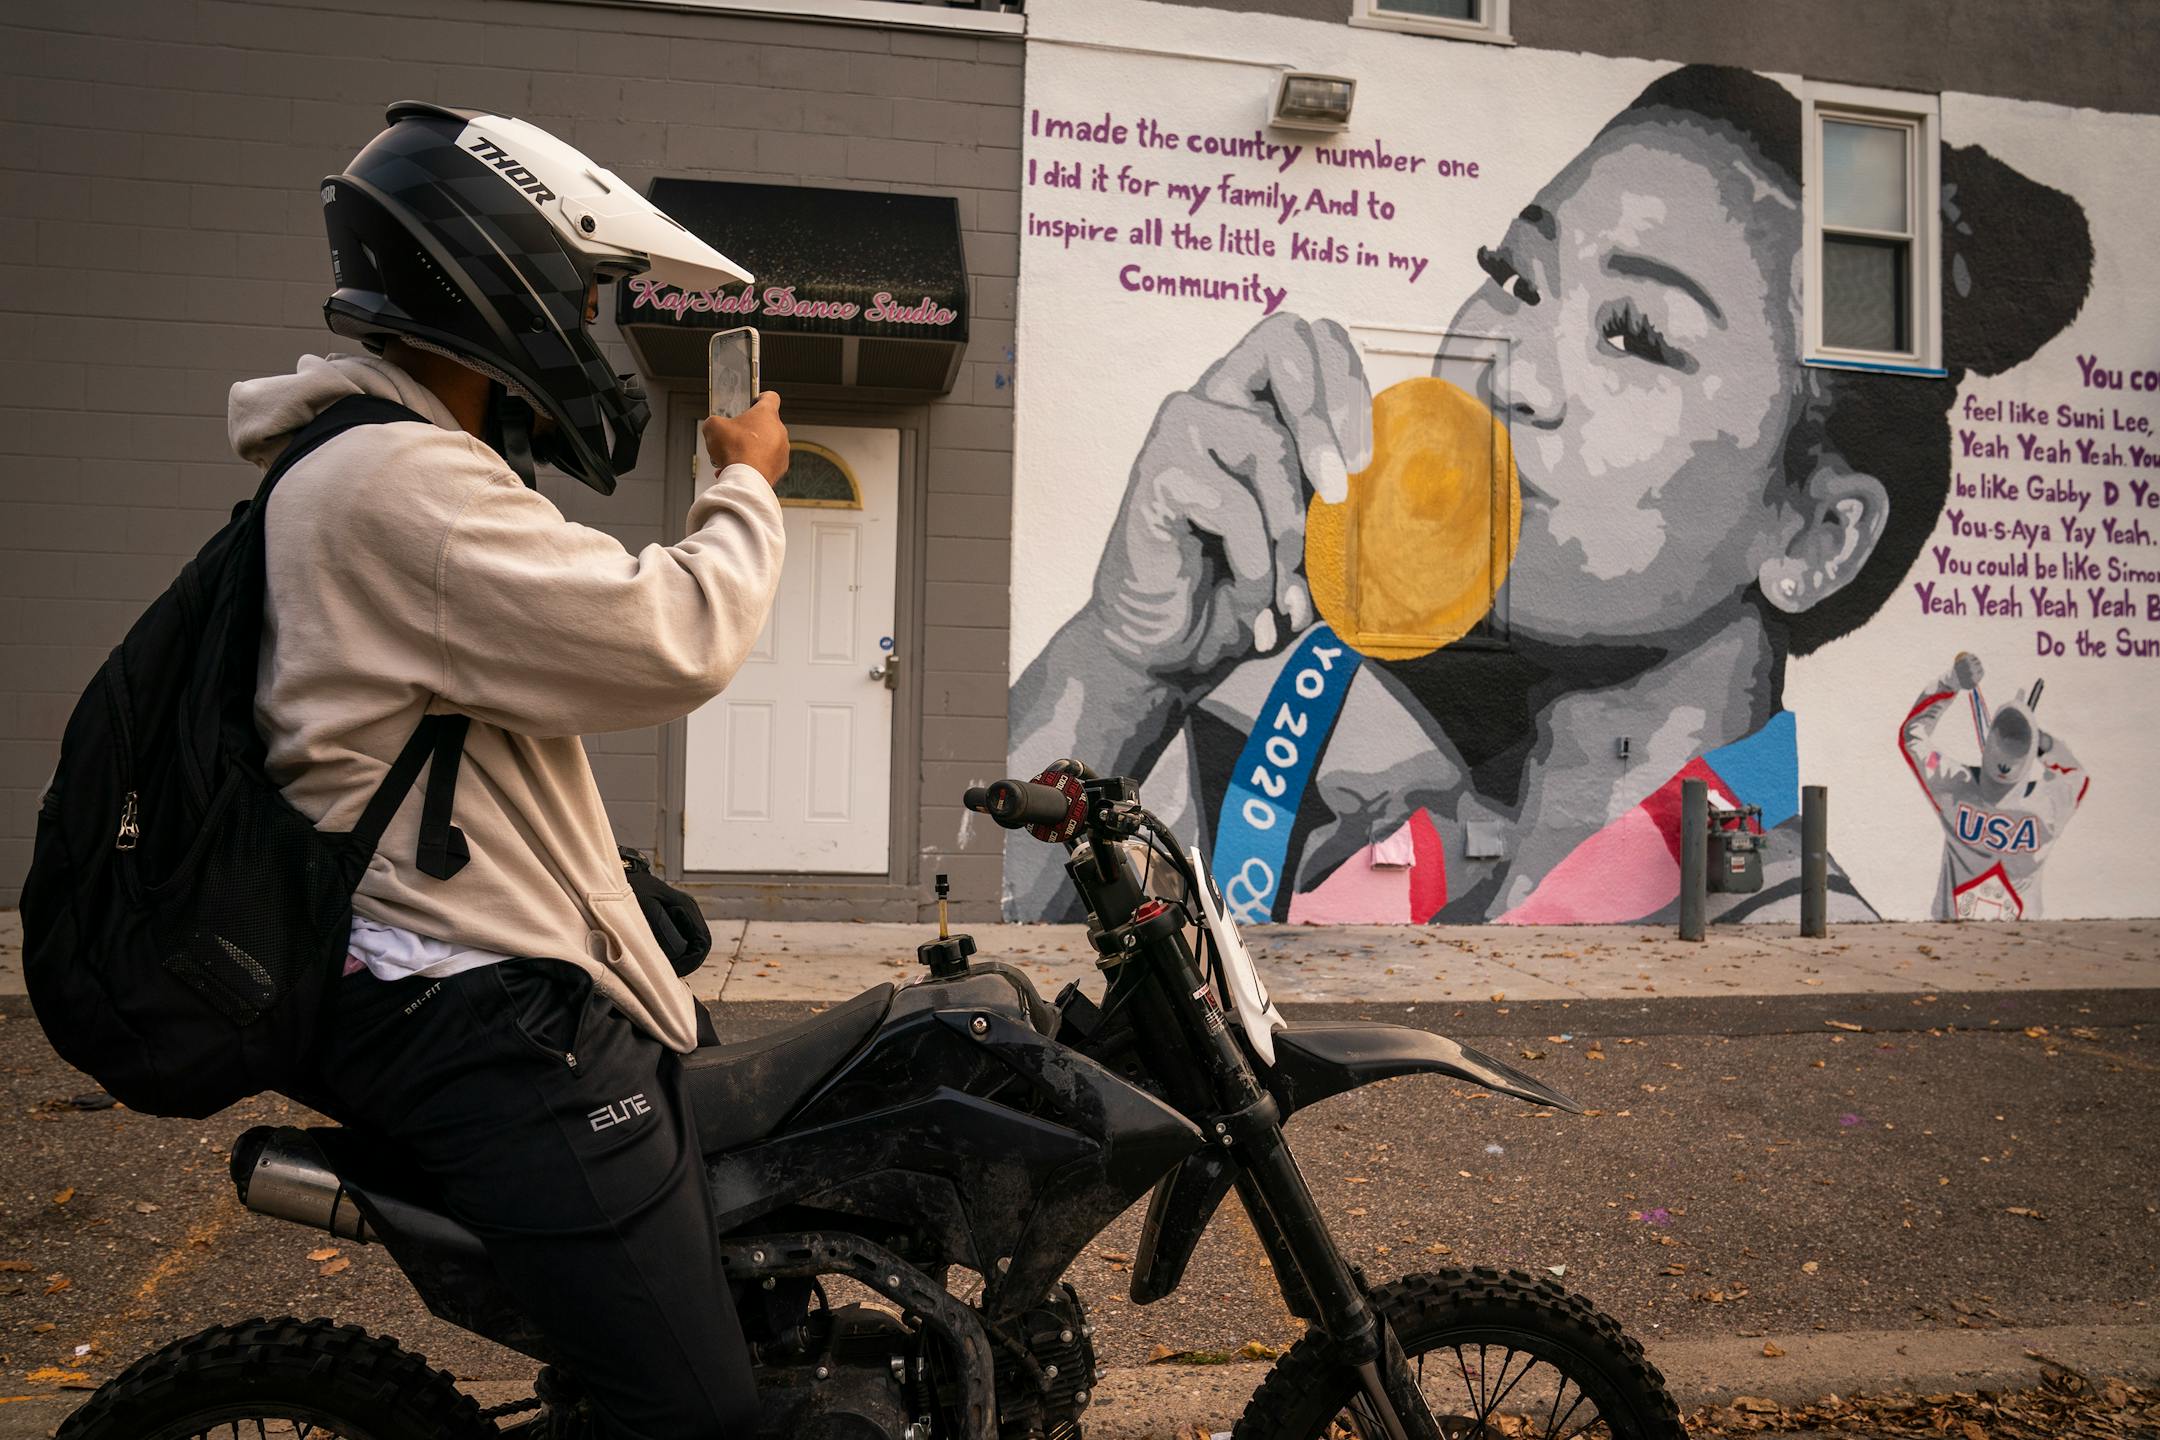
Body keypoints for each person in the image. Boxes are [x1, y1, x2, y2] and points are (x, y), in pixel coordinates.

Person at [1008, 64, 2093, 927]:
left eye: (1633, 333)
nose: (1503, 366)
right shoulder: (1310, 755)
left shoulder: (1784, 956)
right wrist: (1126, 659)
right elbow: (973, 977)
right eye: (1519, 277)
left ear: (1816, 534)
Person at [226, 104, 786, 1438]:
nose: (586, 335)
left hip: (450, 973)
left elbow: (450, 744)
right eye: (580, 298)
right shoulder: (400, 486)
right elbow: (676, 634)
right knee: (696, 1418)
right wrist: (750, 484)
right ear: (499, 280)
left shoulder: (371, 465)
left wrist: (600, 885)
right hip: (467, 1014)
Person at [1899, 653, 2085, 919]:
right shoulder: (2049, 803)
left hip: (1951, 931)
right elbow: (2076, 775)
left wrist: (1950, 683)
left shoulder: (1954, 785)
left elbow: (1911, 735)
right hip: (2024, 936)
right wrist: (2044, 744)